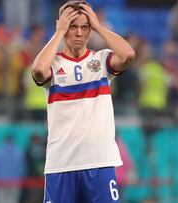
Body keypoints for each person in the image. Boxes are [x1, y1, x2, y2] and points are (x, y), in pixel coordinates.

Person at [31, 1, 135, 202]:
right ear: (61, 27)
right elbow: (37, 71)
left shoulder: (102, 61)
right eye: (72, 26)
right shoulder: (53, 65)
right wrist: (58, 33)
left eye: (84, 27)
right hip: (61, 164)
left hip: (99, 162)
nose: (79, 33)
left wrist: (99, 27)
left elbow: (128, 54)